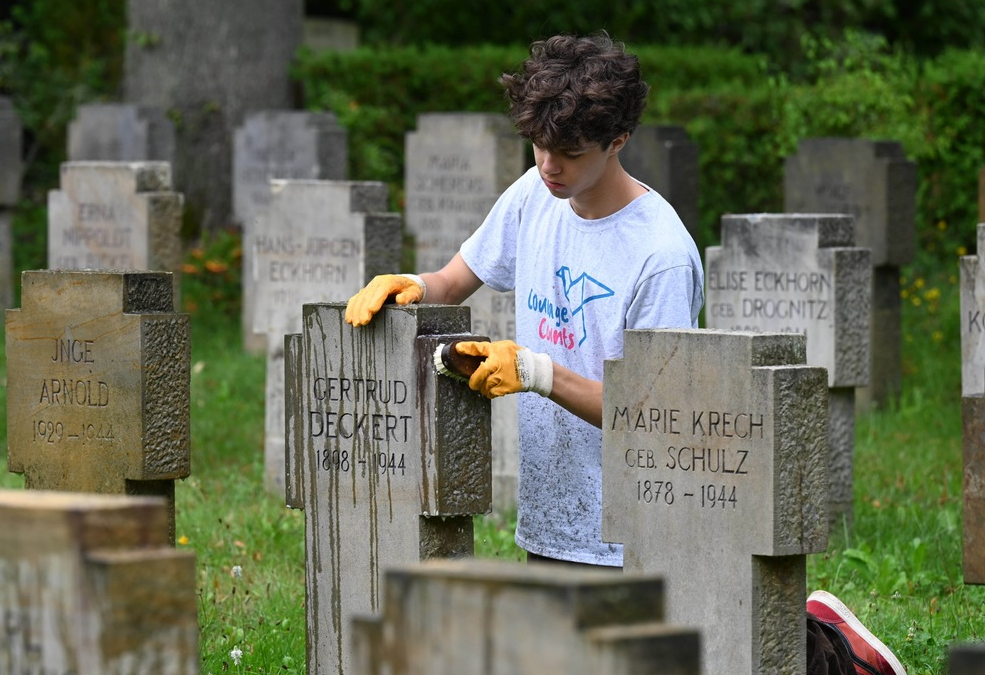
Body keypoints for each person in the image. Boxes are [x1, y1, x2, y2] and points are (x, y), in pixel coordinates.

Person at [343, 31, 904, 675]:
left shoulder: (660, 254)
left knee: (697, 654)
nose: (549, 165)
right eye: (540, 145)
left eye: (569, 152)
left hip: (635, 517)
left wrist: (538, 373)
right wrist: (413, 286)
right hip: (554, 508)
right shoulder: (533, 197)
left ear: (617, 141)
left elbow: (655, 416)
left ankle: (838, 652)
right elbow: (455, 277)